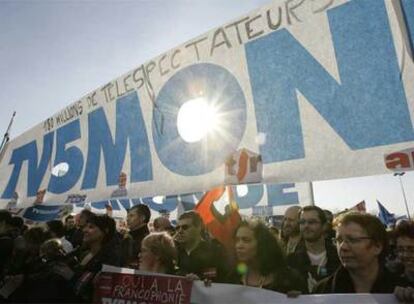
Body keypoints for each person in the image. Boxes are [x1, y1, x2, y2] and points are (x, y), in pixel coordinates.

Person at [314, 212, 402, 294]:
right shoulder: (321, 291)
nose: (343, 247)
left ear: (377, 246)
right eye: (339, 240)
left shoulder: (403, 290)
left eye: (353, 240)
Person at [228, 219, 306, 293]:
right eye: (237, 240)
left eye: (246, 240)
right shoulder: (233, 278)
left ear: (262, 244)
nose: (239, 246)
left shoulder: (288, 280)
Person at [288, 206, 340, 292]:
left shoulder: (339, 256)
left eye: (312, 222)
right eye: (302, 222)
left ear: (324, 226)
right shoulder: (291, 260)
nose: (306, 226)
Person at [72, 214, 121, 302]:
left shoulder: (111, 259)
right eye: (85, 227)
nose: (84, 230)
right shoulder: (84, 252)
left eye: (91, 227)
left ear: (105, 231)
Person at [175, 211, 228, 282]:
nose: (180, 231)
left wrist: (200, 279)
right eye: (177, 228)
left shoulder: (214, 251)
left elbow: (218, 276)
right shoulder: (174, 251)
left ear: (198, 227)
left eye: (185, 227)